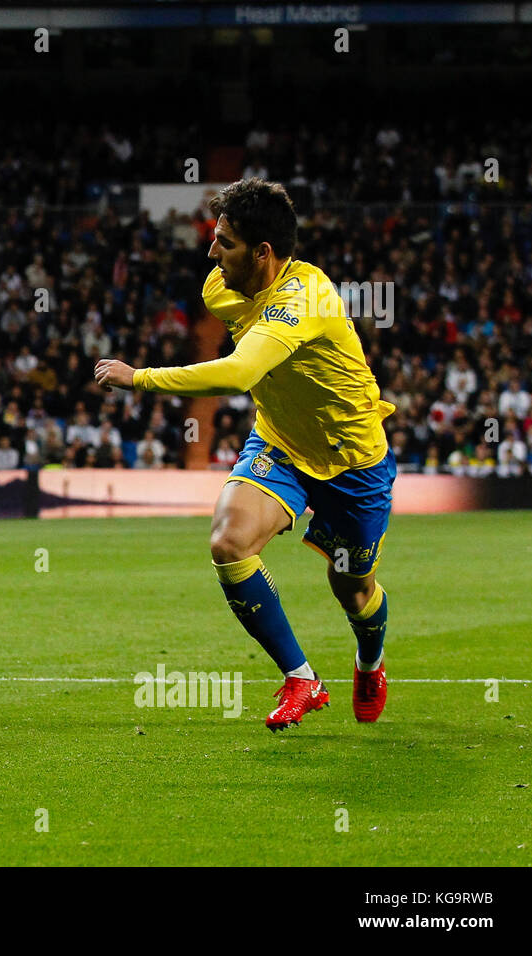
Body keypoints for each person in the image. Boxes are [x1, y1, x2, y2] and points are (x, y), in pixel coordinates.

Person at [95, 178, 395, 732]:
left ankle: (370, 662)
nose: (212, 253)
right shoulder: (220, 287)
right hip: (280, 443)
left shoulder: (306, 298)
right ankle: (302, 678)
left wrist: (138, 378)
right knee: (228, 542)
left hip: (354, 459)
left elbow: (240, 370)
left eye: (225, 242)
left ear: (263, 252)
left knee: (352, 590)